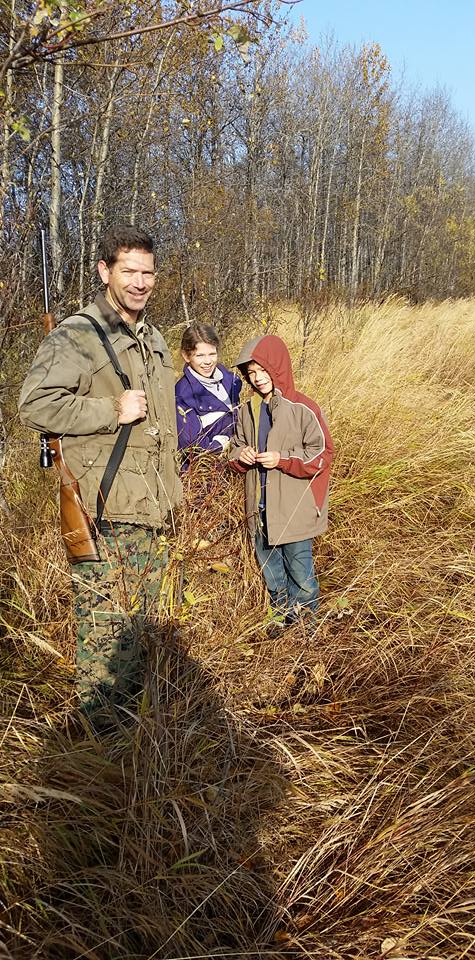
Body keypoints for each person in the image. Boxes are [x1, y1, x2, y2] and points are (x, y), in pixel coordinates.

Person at [19, 224, 183, 720]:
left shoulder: (152, 337)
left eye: (147, 272)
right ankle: (99, 750)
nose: (139, 282)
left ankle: (130, 739)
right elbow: (35, 403)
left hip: (152, 508)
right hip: (105, 511)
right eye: (128, 270)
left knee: (140, 630)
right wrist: (109, 409)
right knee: (106, 635)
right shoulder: (79, 336)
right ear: (104, 271)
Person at [229, 334, 334, 630]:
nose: (258, 378)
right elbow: (234, 448)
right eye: (251, 373)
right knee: (272, 575)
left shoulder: (303, 407)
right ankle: (280, 625)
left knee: (301, 578)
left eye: (263, 370)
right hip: (259, 511)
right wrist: (242, 455)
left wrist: (282, 460)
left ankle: (305, 634)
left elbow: (322, 454)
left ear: (277, 367)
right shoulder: (248, 410)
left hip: (294, 511)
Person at [176, 321, 241, 460]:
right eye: (199, 356)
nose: (208, 361)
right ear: (186, 356)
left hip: (237, 462)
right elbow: (193, 448)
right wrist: (222, 444)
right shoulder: (182, 395)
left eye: (212, 354)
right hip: (207, 472)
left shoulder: (231, 380)